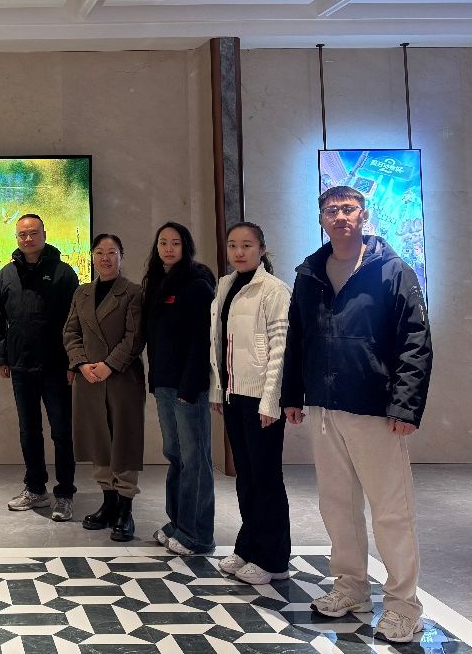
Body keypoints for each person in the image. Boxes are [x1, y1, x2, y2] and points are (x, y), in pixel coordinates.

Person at [282, 186, 433, 644]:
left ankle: (404, 606)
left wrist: (405, 405)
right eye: (332, 210)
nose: (341, 216)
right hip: (325, 406)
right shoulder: (309, 273)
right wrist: (292, 393)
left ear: (363, 215)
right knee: (337, 504)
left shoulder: (392, 270)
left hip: (375, 408)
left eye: (348, 209)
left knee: (391, 511)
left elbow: (415, 342)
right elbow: (297, 337)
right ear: (321, 220)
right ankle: (350, 587)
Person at [208, 222, 292, 585]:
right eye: (233, 245)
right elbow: (217, 342)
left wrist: (271, 400)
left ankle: (273, 559)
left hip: (261, 398)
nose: (239, 252)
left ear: (262, 249)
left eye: (247, 245)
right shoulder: (225, 285)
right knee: (246, 476)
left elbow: (280, 348)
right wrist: (217, 389)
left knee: (266, 477)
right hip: (233, 394)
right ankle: (248, 546)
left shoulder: (273, 289)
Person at [0, 213, 80, 522]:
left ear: (44, 234)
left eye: (33, 233)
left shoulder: (64, 273)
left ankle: (65, 493)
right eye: (22, 234)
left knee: (62, 432)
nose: (27, 239)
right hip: (20, 366)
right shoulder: (7, 273)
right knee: (29, 430)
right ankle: (35, 488)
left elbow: (75, 322)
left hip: (57, 367)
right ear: (17, 238)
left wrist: (74, 362)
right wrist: (1, 357)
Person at [63, 233, 145, 541]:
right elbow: (71, 332)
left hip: (122, 377)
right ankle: (108, 502)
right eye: (100, 252)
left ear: (121, 256)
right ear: (92, 257)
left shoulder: (133, 292)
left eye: (112, 252)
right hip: (89, 379)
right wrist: (81, 364)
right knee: (98, 439)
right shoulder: (82, 293)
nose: (105, 258)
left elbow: (135, 337)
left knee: (124, 439)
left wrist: (109, 365)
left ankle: (125, 508)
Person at [142, 221, 216, 556]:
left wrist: (190, 386)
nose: (169, 248)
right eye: (163, 243)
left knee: (195, 458)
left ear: (186, 246)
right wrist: (155, 380)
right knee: (175, 455)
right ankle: (177, 522)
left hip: (189, 388)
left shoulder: (197, 284)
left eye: (175, 242)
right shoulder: (158, 283)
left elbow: (202, 342)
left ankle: (197, 534)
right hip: (165, 384)